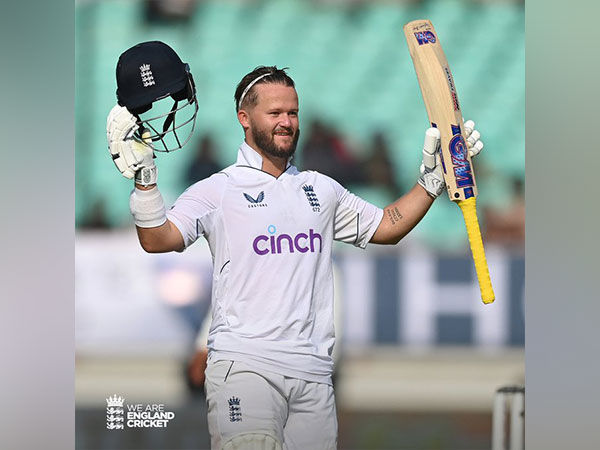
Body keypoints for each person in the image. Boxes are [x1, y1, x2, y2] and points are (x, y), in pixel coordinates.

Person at [106, 42, 485, 450]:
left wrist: (431, 184)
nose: (287, 122)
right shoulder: (218, 190)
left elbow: (388, 226)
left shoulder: (320, 189)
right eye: (275, 113)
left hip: (314, 375)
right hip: (245, 367)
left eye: (292, 112)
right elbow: (157, 239)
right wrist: (145, 181)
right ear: (244, 119)